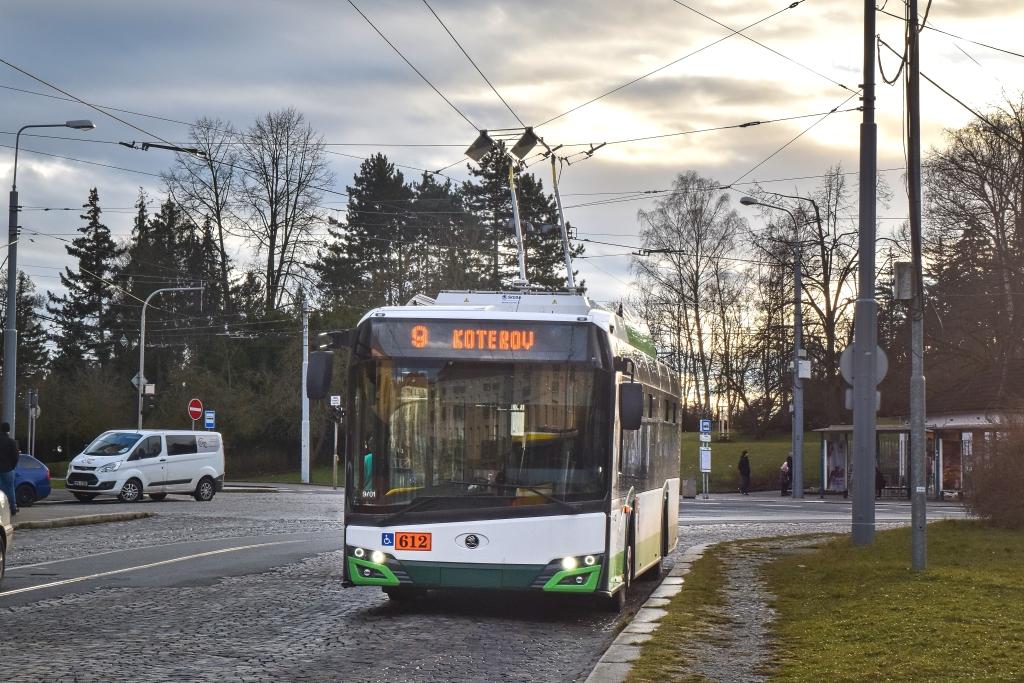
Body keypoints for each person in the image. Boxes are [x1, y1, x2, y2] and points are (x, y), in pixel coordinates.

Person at [0, 422, 20, 515]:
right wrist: (12, 466)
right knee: (10, 488)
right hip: (8, 469)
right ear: (8, 430)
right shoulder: (12, 442)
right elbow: (16, 457)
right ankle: (12, 507)